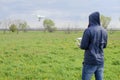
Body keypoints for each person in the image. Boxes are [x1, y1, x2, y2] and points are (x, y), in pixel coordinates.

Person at [79, 12, 108, 80]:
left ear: (91, 20)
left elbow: (83, 46)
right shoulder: (104, 31)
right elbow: (104, 45)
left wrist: (80, 45)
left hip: (90, 61)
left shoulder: (88, 30)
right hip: (100, 60)